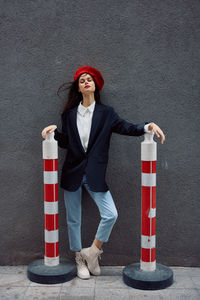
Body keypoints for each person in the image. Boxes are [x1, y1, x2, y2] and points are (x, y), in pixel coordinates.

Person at [41, 66, 165, 280]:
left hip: (95, 175)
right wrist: (54, 132)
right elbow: (67, 143)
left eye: (89, 79)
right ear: (79, 88)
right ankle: (80, 259)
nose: (86, 82)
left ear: (95, 85)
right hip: (72, 172)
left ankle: (93, 252)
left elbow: (128, 127)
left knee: (111, 214)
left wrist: (148, 126)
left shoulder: (107, 114)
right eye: (82, 81)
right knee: (73, 219)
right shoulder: (69, 115)